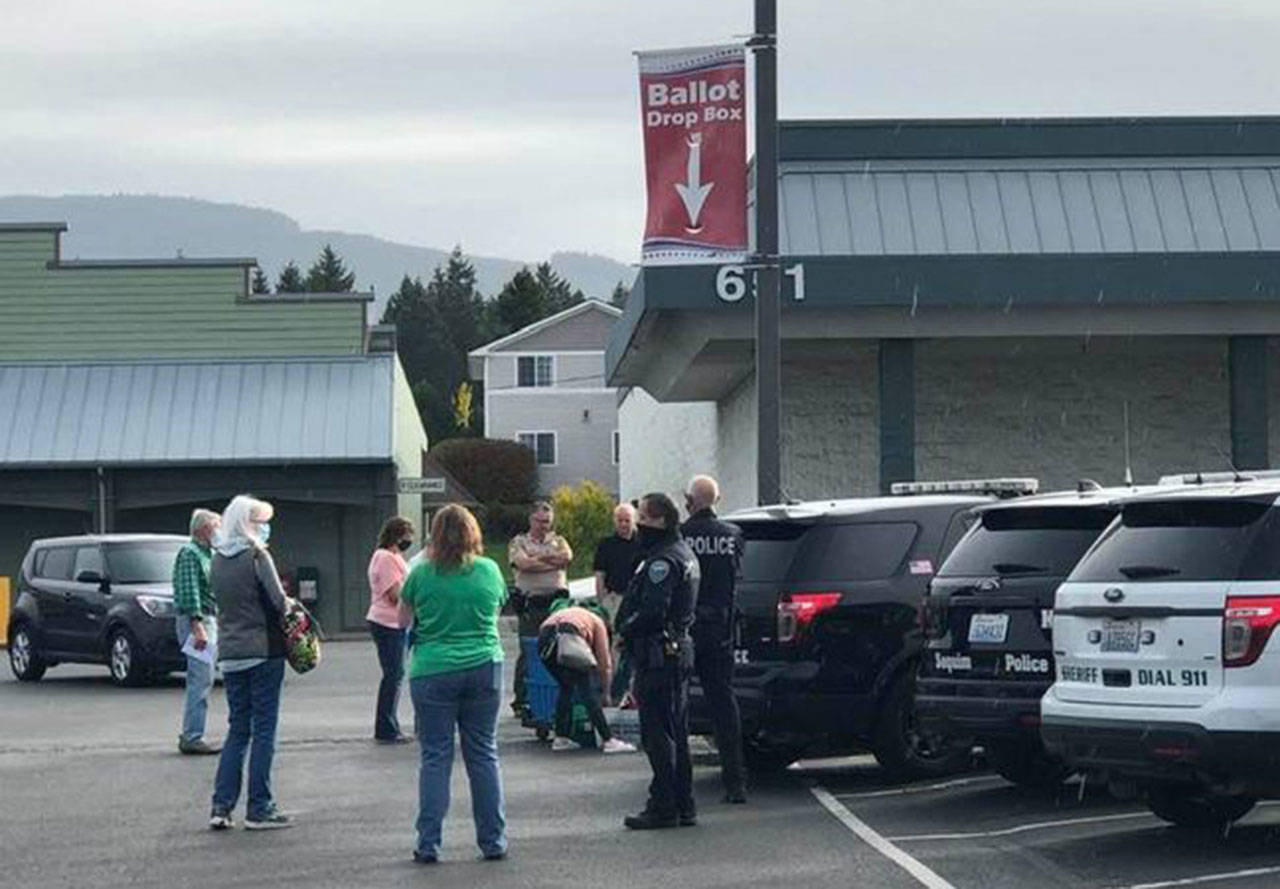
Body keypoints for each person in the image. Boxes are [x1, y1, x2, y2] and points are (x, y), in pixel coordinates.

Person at [402, 504, 508, 864]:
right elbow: (495, 611)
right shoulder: (489, 570)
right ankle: (493, 841)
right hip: (484, 664)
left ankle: (428, 842)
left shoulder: (421, 574)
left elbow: (402, 620)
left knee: (435, 756)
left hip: (433, 668)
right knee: (483, 753)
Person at [208, 495, 292, 831]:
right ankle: (260, 807)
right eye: (261, 522)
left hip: (231, 653)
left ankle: (221, 805)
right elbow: (278, 601)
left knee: (238, 729)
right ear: (248, 524)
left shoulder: (217, 559)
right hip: (263, 650)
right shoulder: (257, 556)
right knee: (264, 730)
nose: (265, 528)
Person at [617, 493, 700, 830]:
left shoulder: (661, 562)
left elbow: (653, 611)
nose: (639, 525)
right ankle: (683, 803)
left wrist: (625, 629)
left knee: (658, 734)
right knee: (676, 730)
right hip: (677, 650)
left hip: (659, 654)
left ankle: (664, 805)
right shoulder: (684, 553)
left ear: (661, 521)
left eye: (644, 519)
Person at [681, 475, 748, 804]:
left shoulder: (681, 535)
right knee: (723, 704)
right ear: (717, 500)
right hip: (721, 630)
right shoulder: (733, 534)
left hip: (687, 628)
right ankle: (735, 783)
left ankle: (679, 783)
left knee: (678, 703)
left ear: (688, 501)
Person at [538, 599, 637, 754]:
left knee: (566, 687)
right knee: (587, 688)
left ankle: (561, 736)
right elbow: (605, 665)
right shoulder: (598, 623)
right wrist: (606, 693)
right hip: (570, 635)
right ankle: (608, 739)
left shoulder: (574, 613)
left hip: (545, 640)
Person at [508, 502, 573, 719]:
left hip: (556, 603)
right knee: (529, 650)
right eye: (540, 521)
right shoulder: (519, 542)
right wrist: (551, 562)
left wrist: (537, 558)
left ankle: (555, 694)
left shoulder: (559, 541)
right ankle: (522, 699)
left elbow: (566, 558)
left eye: (547, 522)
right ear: (531, 520)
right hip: (531, 604)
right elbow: (523, 564)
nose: (544, 526)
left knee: (558, 649)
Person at [173, 508, 222, 756]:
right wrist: (197, 624)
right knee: (200, 679)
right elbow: (189, 590)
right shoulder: (190, 553)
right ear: (204, 529)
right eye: (216, 526)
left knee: (205, 677)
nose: (220, 531)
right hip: (199, 622)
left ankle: (193, 733)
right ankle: (192, 736)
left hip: (210, 619)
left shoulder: (208, 554)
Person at [367, 516, 415, 744]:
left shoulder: (393, 557)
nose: (409, 540)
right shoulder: (385, 558)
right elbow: (395, 594)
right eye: (407, 536)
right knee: (394, 674)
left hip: (396, 622)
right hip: (388, 622)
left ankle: (389, 724)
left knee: (395, 674)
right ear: (396, 536)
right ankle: (386, 727)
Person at [592, 503, 642, 703]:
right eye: (620, 520)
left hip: (637, 600)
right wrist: (601, 603)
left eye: (627, 520)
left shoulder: (642, 543)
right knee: (616, 645)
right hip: (614, 599)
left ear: (634, 521)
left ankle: (633, 690)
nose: (623, 524)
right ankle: (613, 689)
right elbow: (600, 575)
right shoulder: (606, 544)